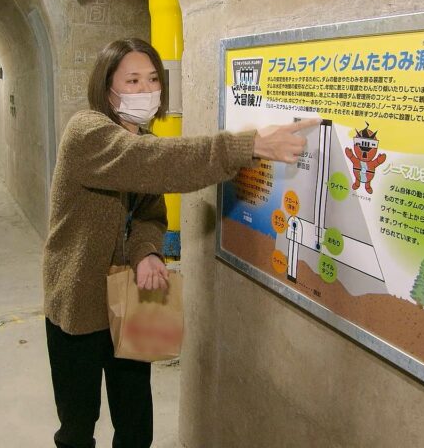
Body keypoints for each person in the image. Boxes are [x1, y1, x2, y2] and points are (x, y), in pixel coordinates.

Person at [43, 37, 318, 448]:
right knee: (78, 427)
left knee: (136, 425)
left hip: (133, 297)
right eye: (132, 80)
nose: (146, 90)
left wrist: (146, 253)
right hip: (77, 301)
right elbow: (153, 163)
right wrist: (251, 144)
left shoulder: (144, 139)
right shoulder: (88, 133)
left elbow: (151, 214)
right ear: (107, 89)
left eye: (153, 79)